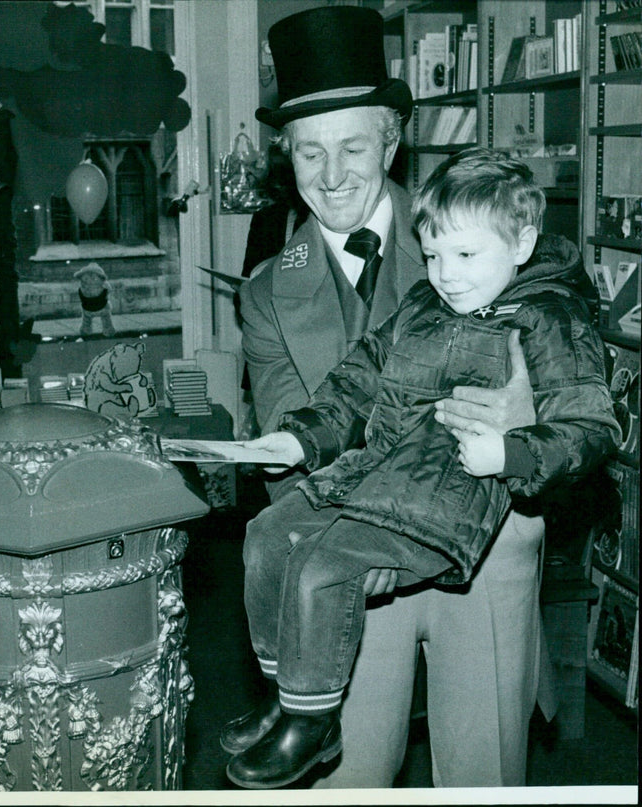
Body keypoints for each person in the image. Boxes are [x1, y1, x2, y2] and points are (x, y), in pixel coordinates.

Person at [228, 6, 581, 789]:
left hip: (485, 544)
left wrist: (531, 408)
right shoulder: (264, 294)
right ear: (285, 159)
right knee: (344, 781)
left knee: (483, 772)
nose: (331, 175)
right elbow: (303, 430)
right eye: (308, 152)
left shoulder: (470, 225)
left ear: (392, 139)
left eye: (352, 147)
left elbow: (557, 291)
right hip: (349, 558)